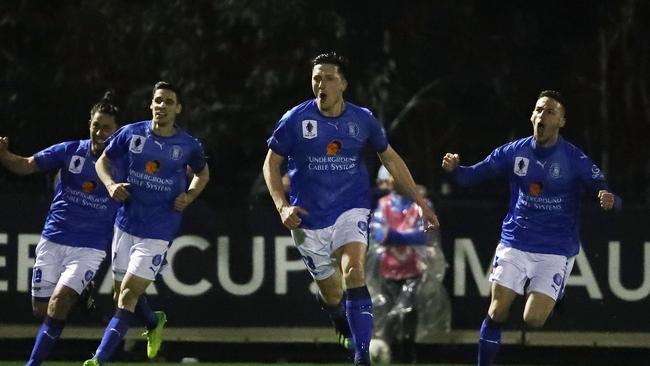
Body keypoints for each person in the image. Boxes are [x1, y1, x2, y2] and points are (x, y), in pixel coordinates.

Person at [263, 51, 439, 366]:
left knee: (354, 271)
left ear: (343, 83)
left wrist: (421, 203)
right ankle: (338, 316)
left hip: (351, 208)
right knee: (332, 294)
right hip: (308, 218)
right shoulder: (295, 120)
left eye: (329, 78)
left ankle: (362, 356)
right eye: (316, 78)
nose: (321, 84)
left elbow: (392, 160)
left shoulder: (363, 120)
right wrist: (281, 206)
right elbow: (271, 164)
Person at [441, 90, 621, 366]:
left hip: (556, 249)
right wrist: (456, 169)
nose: (542, 116)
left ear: (561, 121)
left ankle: (555, 291)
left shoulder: (573, 159)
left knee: (533, 319)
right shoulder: (515, 152)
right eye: (538, 110)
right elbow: (473, 175)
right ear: (531, 116)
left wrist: (609, 198)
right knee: (497, 310)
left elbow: (604, 189)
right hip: (516, 241)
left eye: (550, 112)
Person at [83, 81, 210, 366]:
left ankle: (98, 360)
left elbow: (203, 175)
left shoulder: (188, 145)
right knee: (120, 296)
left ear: (178, 108)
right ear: (151, 105)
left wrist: (189, 195)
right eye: (157, 101)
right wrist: (111, 184)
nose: (161, 106)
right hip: (126, 223)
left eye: (168, 101)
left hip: (158, 230)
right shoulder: (131, 133)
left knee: (127, 294)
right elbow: (102, 161)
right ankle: (154, 321)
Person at [0, 91, 120, 366]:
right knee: (43, 310)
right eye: (96, 125)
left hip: (89, 246)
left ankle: (32, 364)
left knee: (59, 302)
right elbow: (26, 165)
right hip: (53, 239)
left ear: (116, 131)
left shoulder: (122, 162)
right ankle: (81, 297)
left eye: (107, 127)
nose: (100, 132)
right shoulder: (69, 150)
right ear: (89, 122)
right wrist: (3, 154)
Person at [368, 167, 450, 363]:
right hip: (389, 270)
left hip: (413, 271)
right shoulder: (384, 204)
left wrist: (394, 236)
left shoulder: (422, 205)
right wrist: (408, 236)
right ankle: (391, 353)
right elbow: (379, 235)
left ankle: (408, 355)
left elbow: (425, 235)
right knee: (390, 316)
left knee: (408, 317)